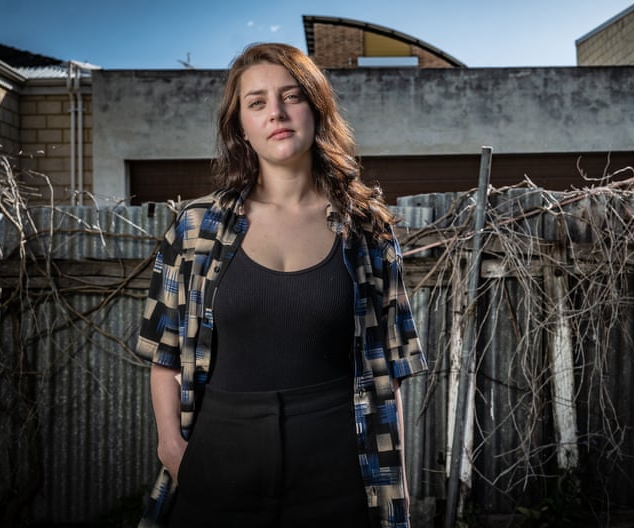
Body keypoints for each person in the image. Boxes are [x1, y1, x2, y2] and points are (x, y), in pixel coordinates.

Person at [135, 42, 427, 528]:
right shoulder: (196, 228)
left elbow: (389, 367)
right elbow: (164, 356)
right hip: (219, 461)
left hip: (338, 467)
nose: (276, 112)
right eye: (257, 102)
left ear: (316, 108)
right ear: (241, 128)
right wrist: (173, 450)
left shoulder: (366, 229)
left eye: (291, 96)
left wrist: (394, 485)